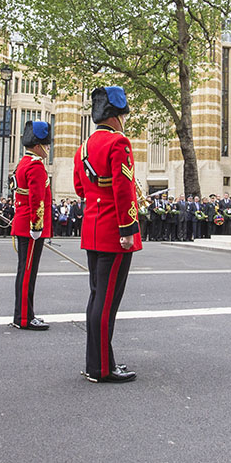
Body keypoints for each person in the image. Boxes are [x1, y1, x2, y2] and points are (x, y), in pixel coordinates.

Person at [73, 86, 141, 383]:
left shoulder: (84, 146)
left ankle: (95, 363)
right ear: (116, 116)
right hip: (115, 230)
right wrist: (128, 229)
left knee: (96, 296)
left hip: (93, 227)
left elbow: (79, 188)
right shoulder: (119, 143)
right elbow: (123, 189)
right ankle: (101, 367)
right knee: (108, 301)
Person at [10, 120, 52, 330]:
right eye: (46, 144)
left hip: (23, 223)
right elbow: (37, 200)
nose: (48, 148)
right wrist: (37, 227)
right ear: (38, 145)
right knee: (27, 273)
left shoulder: (23, 163)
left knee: (24, 272)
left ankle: (24, 313)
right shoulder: (35, 165)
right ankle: (24, 318)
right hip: (31, 226)